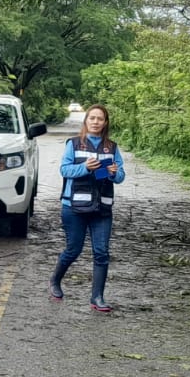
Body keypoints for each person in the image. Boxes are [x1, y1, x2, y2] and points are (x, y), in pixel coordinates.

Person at [50, 104, 126, 313]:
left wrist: (112, 172)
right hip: (73, 207)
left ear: (105, 123)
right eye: (92, 118)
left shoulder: (112, 147)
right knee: (73, 250)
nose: (95, 122)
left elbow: (120, 177)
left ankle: (97, 298)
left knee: (101, 252)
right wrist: (84, 167)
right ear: (86, 121)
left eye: (99, 119)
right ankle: (55, 281)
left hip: (102, 208)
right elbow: (64, 169)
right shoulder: (73, 144)